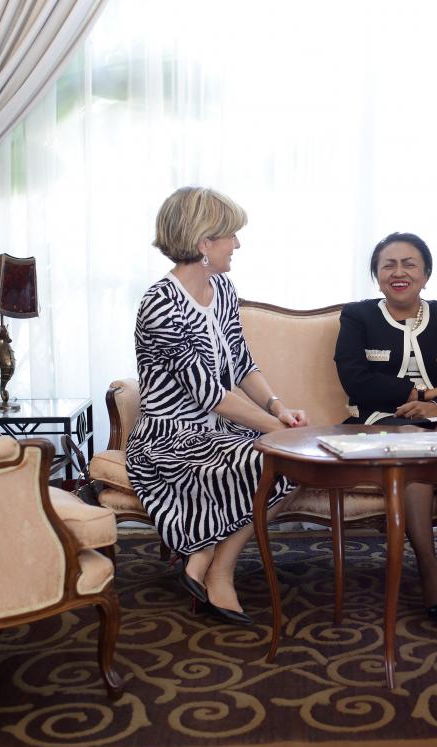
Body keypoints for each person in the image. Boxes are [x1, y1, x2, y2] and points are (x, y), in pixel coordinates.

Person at [126, 186, 308, 626]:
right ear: (205, 243)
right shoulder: (160, 304)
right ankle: (212, 564)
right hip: (168, 438)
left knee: (297, 460)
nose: (238, 244)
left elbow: (241, 361)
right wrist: (277, 430)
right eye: (231, 235)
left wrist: (278, 409)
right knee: (281, 455)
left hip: (215, 433)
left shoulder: (222, 287)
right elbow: (209, 394)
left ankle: (212, 562)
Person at [333, 232, 437, 618]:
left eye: (409, 263)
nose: (399, 272)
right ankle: (430, 570)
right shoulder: (358, 316)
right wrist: (423, 395)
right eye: (388, 265)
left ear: (426, 273)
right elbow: (356, 379)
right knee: (414, 444)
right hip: (380, 418)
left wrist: (436, 410)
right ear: (377, 275)